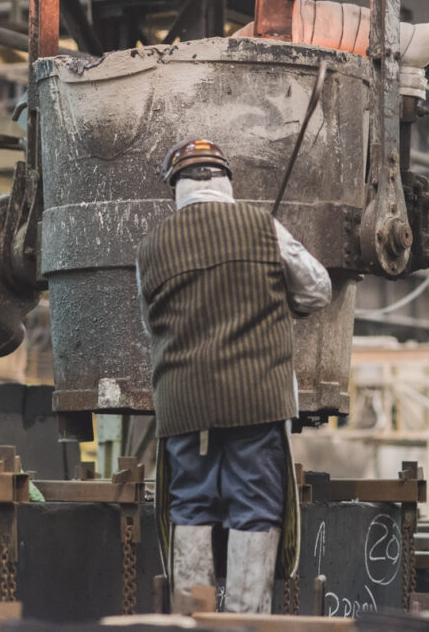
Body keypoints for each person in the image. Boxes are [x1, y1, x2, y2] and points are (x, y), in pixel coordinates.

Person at [135, 138, 332, 614]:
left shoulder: (151, 247)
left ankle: (193, 616)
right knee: (254, 505)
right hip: (255, 397)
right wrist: (279, 301)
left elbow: (150, 323)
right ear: (226, 180)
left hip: (184, 404)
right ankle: (246, 621)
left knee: (190, 504)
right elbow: (318, 290)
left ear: (176, 187)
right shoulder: (264, 227)